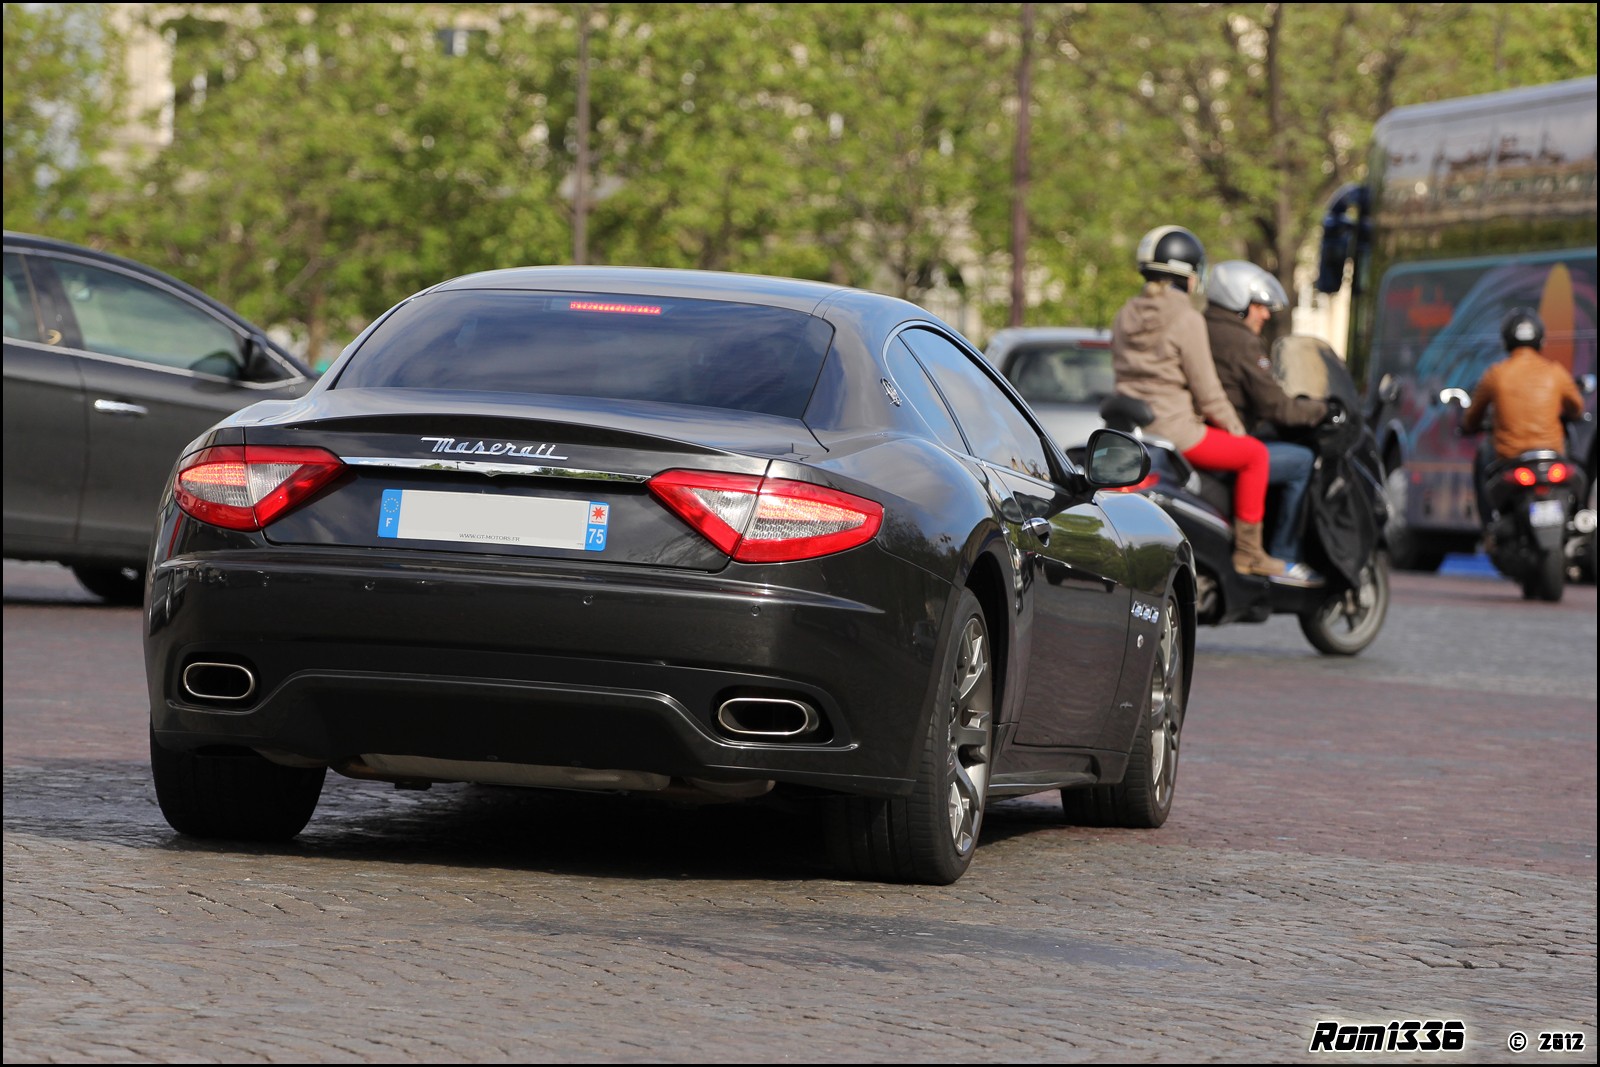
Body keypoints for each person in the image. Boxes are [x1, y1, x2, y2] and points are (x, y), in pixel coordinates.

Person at [1111, 226, 1292, 579]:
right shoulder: (1187, 318)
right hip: (1176, 431)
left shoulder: (1125, 314)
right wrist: (1238, 430)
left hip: (1130, 429)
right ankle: (1249, 553)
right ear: (1190, 275)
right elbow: (1208, 392)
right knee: (1256, 456)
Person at [1204, 260, 1329, 587]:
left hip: (1207, 433)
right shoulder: (1240, 341)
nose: (1266, 314)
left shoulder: (1203, 327)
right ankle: (1283, 558)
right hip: (1222, 443)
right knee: (1301, 462)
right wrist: (1321, 409)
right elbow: (1277, 406)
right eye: (1259, 306)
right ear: (1238, 304)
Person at [1462, 307, 1585, 520]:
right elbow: (1577, 407)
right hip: (1551, 457)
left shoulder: (1496, 374)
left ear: (1506, 340)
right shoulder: (1555, 372)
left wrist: (1469, 426)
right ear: (1540, 339)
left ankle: (1489, 530)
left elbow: (1472, 417)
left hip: (1511, 459)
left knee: (1483, 457)